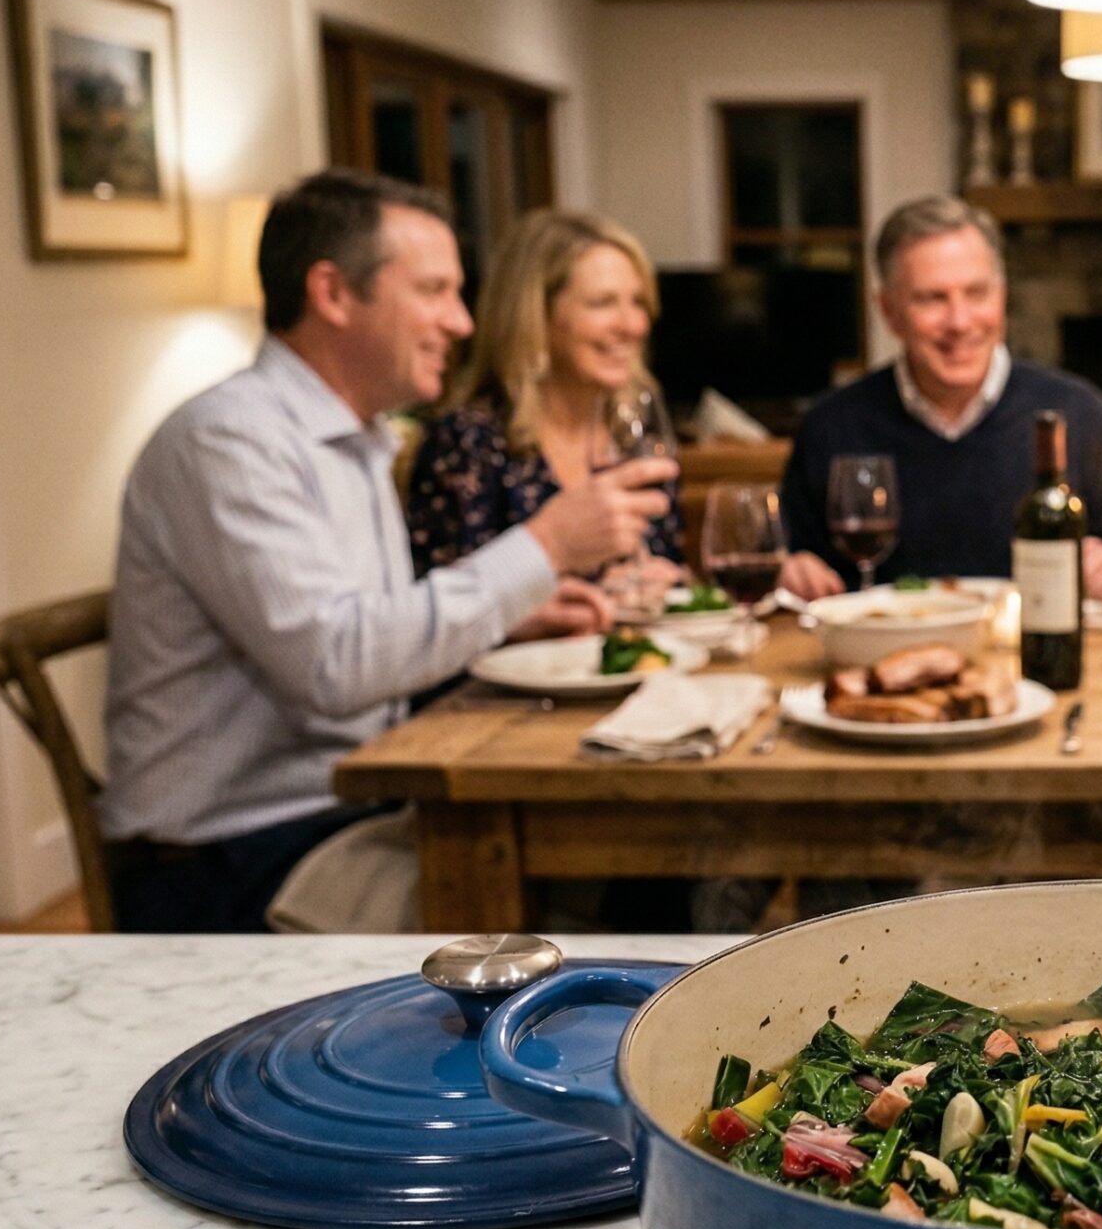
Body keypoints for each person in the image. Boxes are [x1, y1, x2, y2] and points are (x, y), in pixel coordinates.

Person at [98, 170, 674, 933]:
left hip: (353, 805)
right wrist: (547, 543)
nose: (463, 322)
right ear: (333, 293)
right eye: (434, 291)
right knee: (565, 924)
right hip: (231, 853)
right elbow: (335, 666)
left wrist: (506, 619)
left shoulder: (360, 438)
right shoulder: (229, 441)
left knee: (644, 865)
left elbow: (370, 628)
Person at [778, 196, 1102, 600]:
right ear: (888, 311)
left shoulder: (1076, 413)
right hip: (879, 656)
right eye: (932, 298)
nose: (959, 322)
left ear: (1002, 296)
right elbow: (791, 562)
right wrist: (792, 572)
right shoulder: (831, 426)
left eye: (976, 294)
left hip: (1031, 658)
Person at [406, 209, 685, 605]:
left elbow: (668, 562)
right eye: (603, 303)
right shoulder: (468, 440)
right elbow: (442, 618)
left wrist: (666, 583)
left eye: (638, 302)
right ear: (535, 315)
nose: (632, 325)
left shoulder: (636, 433)